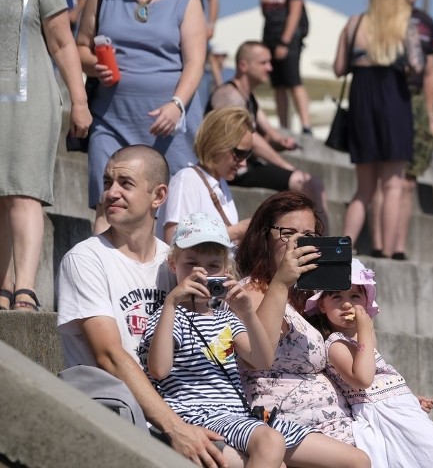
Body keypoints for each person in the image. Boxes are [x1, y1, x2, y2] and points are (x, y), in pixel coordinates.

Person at [56, 145, 229, 467]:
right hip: (120, 413)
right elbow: (109, 355)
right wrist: (176, 428)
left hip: (184, 406)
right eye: (108, 182)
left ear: (158, 195)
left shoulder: (176, 263)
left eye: (125, 183)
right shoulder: (85, 259)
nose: (111, 192)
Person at [76, 0, 207, 234]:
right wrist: (96, 66)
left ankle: (165, 284)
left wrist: (176, 104)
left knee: (172, 213)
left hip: (168, 125)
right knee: (109, 205)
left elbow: (195, 62)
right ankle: (102, 281)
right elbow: (79, 47)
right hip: (112, 118)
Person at [139, 212, 294, 468]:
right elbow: (158, 369)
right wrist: (170, 303)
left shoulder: (227, 319)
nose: (201, 273)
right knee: (272, 443)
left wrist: (246, 312)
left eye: (213, 266)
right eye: (190, 263)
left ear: (225, 271)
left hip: (234, 416)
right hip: (194, 414)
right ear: (172, 264)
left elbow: (263, 359)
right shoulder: (169, 316)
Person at [235, 192, 370, 468]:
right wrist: (281, 283)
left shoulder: (306, 298)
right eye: (288, 233)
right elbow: (260, 354)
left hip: (327, 421)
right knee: (359, 462)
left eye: (308, 235)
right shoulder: (252, 291)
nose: (298, 243)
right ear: (264, 236)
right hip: (277, 421)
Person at [0, 0, 91, 311]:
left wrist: (79, 100)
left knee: (24, 191)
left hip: (29, 98)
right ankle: (1, 290)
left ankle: (25, 288)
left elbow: (61, 42)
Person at [304, 259, 433, 467]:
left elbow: (379, 374)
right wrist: (365, 331)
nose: (347, 304)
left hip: (399, 407)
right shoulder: (335, 344)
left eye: (355, 296)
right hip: (379, 414)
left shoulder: (362, 335)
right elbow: (363, 379)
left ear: (365, 300)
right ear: (322, 305)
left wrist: (405, 396)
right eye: (337, 297)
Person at [334, 0, 422, 254]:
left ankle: (343, 248)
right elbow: (417, 65)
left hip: (362, 100)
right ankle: (387, 250)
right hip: (393, 100)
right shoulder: (405, 25)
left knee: (364, 189)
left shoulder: (354, 23)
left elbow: (338, 68)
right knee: (394, 184)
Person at [208, 40, 330, 231]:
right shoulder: (228, 95)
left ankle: (321, 242)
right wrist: (287, 167)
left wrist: (283, 142)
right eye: (263, 63)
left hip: (247, 166)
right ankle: (321, 244)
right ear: (243, 65)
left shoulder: (249, 97)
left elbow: (269, 133)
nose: (270, 68)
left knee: (312, 182)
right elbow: (249, 138)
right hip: (233, 169)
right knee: (307, 183)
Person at [369, 0, 433, 260]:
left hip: (414, 103)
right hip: (387, 98)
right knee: (381, 178)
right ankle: (378, 244)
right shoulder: (382, 16)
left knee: (408, 180)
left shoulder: (425, 21)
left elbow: (429, 72)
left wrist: (430, 115)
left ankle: (398, 246)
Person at [157, 107, 254, 246]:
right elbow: (175, 242)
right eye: (239, 153)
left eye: (247, 154)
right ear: (218, 144)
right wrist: (236, 232)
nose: (244, 163)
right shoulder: (187, 180)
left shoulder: (221, 183)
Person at [260, 0, 311, 134]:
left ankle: (306, 126)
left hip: (288, 40)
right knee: (278, 85)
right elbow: (267, 14)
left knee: (294, 82)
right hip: (270, 37)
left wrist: (285, 41)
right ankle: (284, 127)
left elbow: (295, 11)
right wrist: (262, 2)